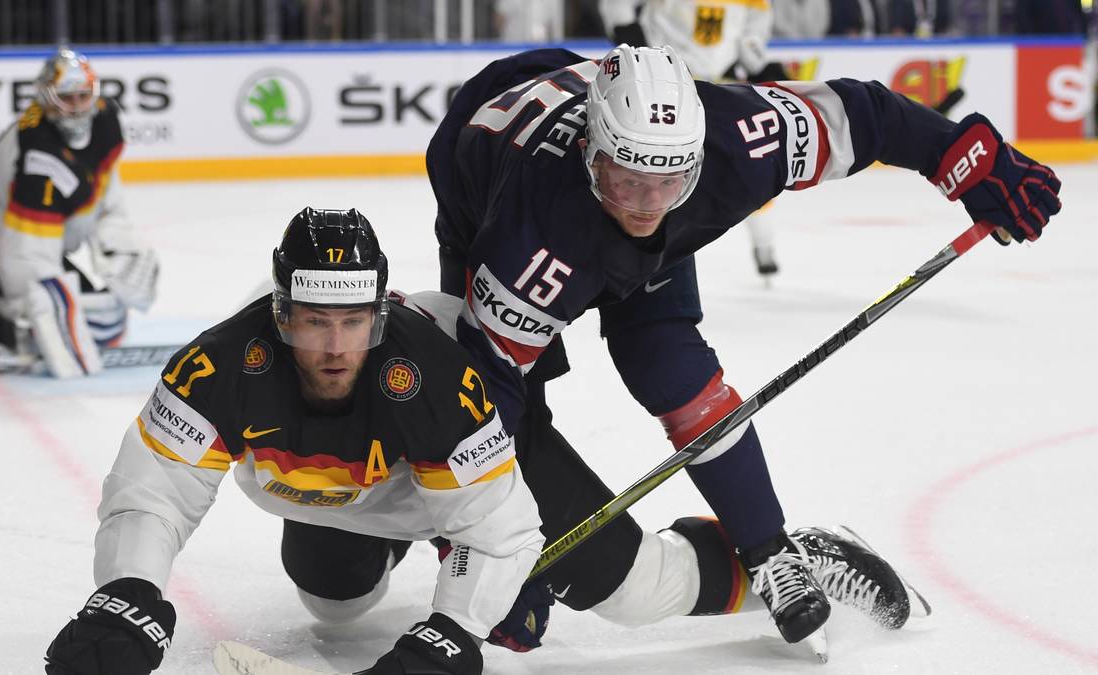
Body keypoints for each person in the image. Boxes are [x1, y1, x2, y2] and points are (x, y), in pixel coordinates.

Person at [426, 44, 1059, 655]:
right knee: (517, 410)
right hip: (480, 177)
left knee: (667, 364)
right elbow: (491, 406)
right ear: (592, 154)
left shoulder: (740, 136)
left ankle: (773, 551)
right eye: (626, 180)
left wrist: (971, 159)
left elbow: (867, 115)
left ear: (698, 158)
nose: (647, 206)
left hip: (581, 159)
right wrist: (505, 553)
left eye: (669, 181)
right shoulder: (525, 242)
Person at [43, 208, 545, 675]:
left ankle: (446, 527)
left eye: (353, 322)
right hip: (329, 496)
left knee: (612, 591)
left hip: (445, 472)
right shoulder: (219, 364)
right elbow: (156, 491)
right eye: (315, 322)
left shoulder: (438, 375)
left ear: (379, 314)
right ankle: (396, 542)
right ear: (282, 313)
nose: (334, 348)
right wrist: (129, 588)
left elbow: (500, 534)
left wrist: (455, 632)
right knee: (334, 604)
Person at [0, 46, 159, 378]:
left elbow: (103, 197)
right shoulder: (36, 151)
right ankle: (2, 319)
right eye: (67, 97)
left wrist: (118, 247)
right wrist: (38, 301)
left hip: (29, 241)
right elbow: (24, 251)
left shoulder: (105, 121)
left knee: (109, 319)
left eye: (84, 96)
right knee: (65, 314)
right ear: (46, 98)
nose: (79, 107)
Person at [598, 0, 786, 277]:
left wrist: (757, 63)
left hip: (717, 87)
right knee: (655, 174)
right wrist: (627, 30)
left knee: (747, 167)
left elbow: (752, 33)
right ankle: (636, 255)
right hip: (662, 89)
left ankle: (764, 244)